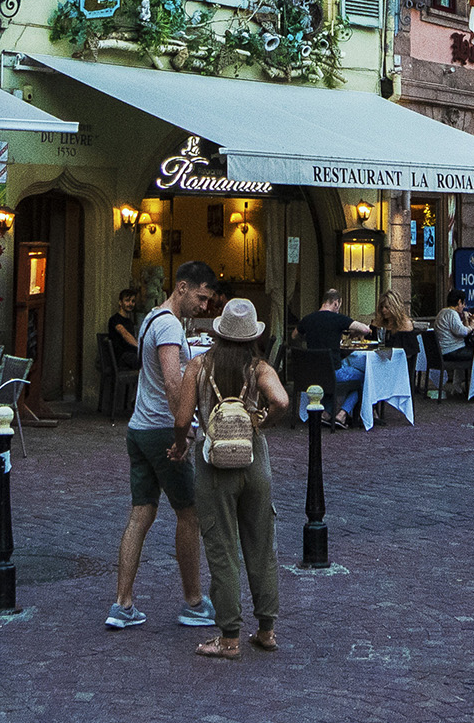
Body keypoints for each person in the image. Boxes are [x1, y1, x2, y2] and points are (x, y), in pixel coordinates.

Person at [106, 260, 218, 631]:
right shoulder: (169, 325)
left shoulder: (152, 318)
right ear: (182, 287)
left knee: (141, 513)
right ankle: (193, 603)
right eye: (201, 298)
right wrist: (181, 434)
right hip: (159, 431)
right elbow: (173, 383)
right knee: (190, 513)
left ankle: (122, 604)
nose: (203, 307)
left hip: (138, 429)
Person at [177, 297, 289, 659]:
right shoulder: (258, 368)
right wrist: (260, 423)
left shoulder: (199, 365)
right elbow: (283, 401)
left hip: (214, 465)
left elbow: (181, 420)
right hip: (254, 459)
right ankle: (267, 630)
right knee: (261, 544)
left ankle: (228, 637)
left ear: (220, 332)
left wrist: (180, 444)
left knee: (222, 548)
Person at [292, 289, 370, 430]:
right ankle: (343, 413)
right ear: (336, 303)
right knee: (365, 377)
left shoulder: (308, 319)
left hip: (311, 375)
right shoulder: (338, 319)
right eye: (338, 305)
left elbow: (294, 335)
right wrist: (353, 331)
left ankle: (327, 413)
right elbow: (365, 330)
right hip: (332, 373)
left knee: (327, 375)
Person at [108, 288, 142, 371]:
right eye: (127, 301)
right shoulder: (115, 319)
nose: (130, 304)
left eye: (133, 301)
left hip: (130, 356)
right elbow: (125, 334)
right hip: (121, 357)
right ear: (120, 302)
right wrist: (140, 347)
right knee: (145, 361)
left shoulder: (130, 321)